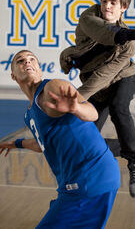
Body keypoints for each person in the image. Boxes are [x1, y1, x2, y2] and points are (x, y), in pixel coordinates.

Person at [60, 0, 135, 198]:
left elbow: (105, 75)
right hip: (98, 87)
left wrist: (77, 98)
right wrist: (67, 56)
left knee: (119, 108)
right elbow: (104, 33)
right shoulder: (89, 17)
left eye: (113, 2)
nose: (107, 6)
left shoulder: (129, 43)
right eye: (104, 1)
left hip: (123, 79)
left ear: (123, 7)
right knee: (87, 143)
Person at [0, 50, 121, 229]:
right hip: (76, 184)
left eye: (32, 59)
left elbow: (93, 113)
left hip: (90, 179)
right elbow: (43, 144)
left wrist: (76, 109)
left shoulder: (53, 88)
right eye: (20, 61)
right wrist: (16, 143)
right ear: (13, 75)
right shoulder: (29, 113)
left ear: (39, 69)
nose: (27, 62)